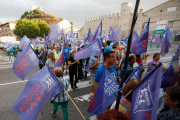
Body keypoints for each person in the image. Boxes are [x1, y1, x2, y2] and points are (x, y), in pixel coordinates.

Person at [95, 51, 121, 120]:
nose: (115, 58)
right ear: (106, 58)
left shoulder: (114, 68)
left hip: (114, 98)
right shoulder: (100, 71)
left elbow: (118, 78)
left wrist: (121, 83)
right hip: (104, 99)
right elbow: (96, 87)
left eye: (115, 57)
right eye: (112, 57)